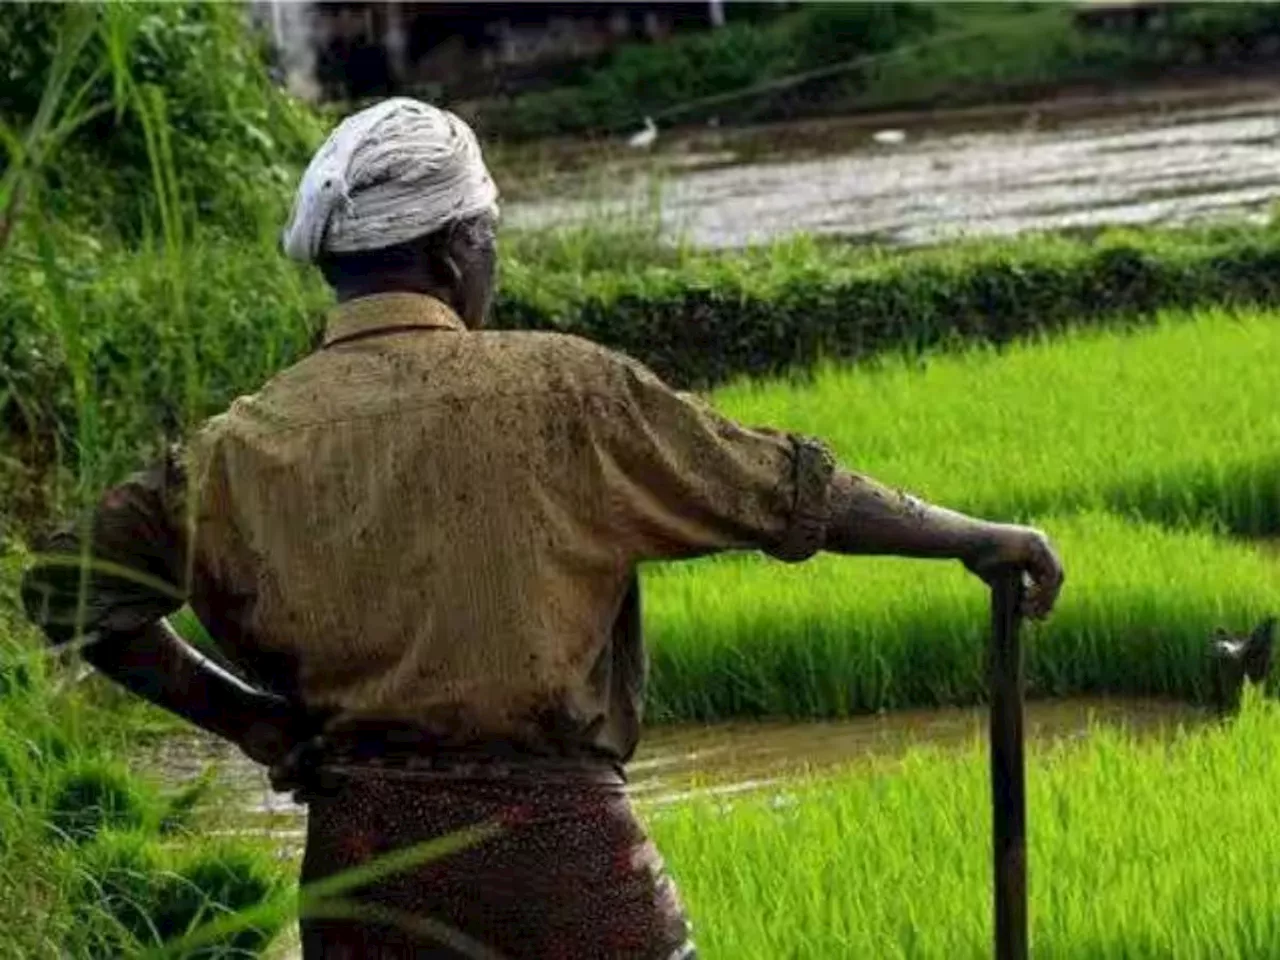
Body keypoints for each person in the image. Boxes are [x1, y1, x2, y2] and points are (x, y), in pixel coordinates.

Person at [21, 98, 1064, 959]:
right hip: (560, 857)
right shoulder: (562, 391)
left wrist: (250, 721)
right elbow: (787, 490)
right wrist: (974, 536)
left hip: (362, 868)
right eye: (489, 239)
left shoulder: (237, 446)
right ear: (457, 248)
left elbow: (66, 587)